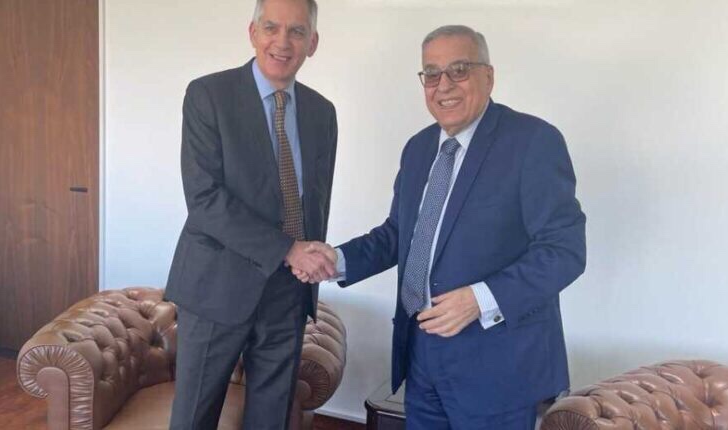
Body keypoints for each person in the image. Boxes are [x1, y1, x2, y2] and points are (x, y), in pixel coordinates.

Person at [297, 25, 586, 429]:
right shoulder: (418, 148)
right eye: (431, 74)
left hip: (498, 365)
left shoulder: (532, 141)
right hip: (421, 355)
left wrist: (480, 299)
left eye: (459, 70)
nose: (443, 85)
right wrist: (336, 260)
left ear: (489, 76)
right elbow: (399, 234)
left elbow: (564, 251)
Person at [164, 0, 337, 428]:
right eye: (271, 27)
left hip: (288, 292)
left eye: (297, 31)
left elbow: (315, 201)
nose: (283, 42)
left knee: (271, 419)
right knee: (193, 418)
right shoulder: (208, 95)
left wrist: (310, 260)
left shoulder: (322, 113)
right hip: (216, 287)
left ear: (313, 43)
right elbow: (204, 199)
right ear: (253, 33)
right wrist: (288, 249)